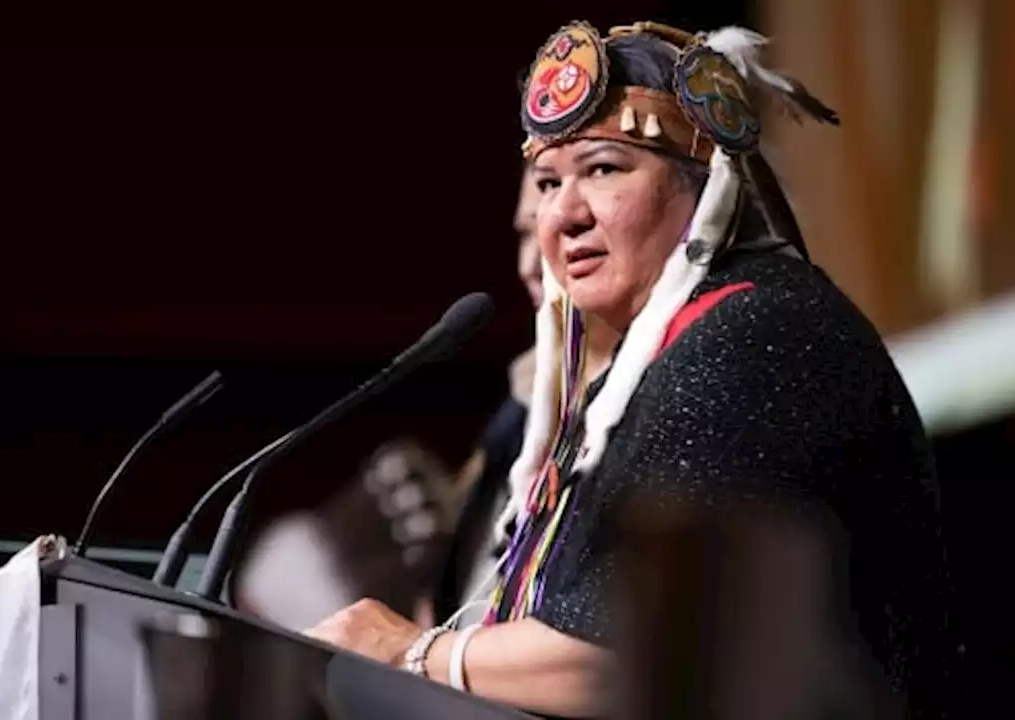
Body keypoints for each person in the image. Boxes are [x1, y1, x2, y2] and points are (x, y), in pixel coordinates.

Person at [305, 20, 954, 719]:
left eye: (604, 170)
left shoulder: (757, 336)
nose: (565, 216)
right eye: (549, 183)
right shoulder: (631, 373)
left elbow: (627, 658)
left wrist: (413, 653)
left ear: (705, 186)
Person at [431, 168, 619, 627]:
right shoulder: (520, 402)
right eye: (526, 234)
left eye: (569, 228)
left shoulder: (670, 393)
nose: (529, 265)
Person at [236, 439, 454, 630]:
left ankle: (404, 496)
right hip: (350, 598)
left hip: (334, 563)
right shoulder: (261, 581)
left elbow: (306, 531)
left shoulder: (258, 575)